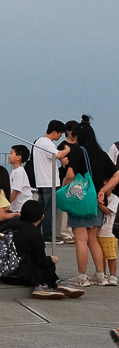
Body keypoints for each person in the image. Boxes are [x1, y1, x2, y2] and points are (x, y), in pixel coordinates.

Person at [59, 117, 119, 287]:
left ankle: (82, 277)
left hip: (80, 201)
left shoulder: (79, 152)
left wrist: (64, 188)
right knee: (93, 239)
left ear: (79, 136)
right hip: (97, 202)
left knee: (81, 239)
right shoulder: (101, 153)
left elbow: (70, 175)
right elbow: (117, 174)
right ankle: (100, 275)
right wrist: (103, 190)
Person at [1, 200, 85, 300]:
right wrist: (51, 259)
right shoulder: (34, 233)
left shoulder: (11, 227)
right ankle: (43, 286)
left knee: (34, 259)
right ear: (41, 216)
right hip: (21, 276)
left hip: (5, 274)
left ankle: (57, 283)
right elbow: (41, 260)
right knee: (49, 265)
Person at [31, 120, 70, 242]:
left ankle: (38, 234)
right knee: (49, 211)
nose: (60, 136)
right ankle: (48, 237)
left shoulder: (38, 142)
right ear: (54, 132)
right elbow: (57, 155)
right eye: (60, 133)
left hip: (41, 181)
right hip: (49, 182)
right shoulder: (47, 143)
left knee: (41, 210)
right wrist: (67, 150)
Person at [98, 192, 119, 286]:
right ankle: (103, 274)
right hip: (99, 231)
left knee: (111, 256)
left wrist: (98, 204)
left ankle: (112, 275)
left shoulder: (114, 198)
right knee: (100, 256)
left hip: (109, 233)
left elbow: (108, 211)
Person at [7, 145, 33, 214]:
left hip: (22, 208)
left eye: (11, 153)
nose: (9, 156)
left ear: (18, 157)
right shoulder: (16, 171)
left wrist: (7, 205)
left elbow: (16, 190)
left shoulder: (19, 171)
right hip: (18, 208)